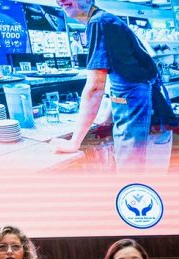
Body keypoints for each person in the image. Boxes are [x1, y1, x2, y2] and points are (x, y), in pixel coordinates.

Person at [52, 0, 175, 170]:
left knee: (135, 184)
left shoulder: (99, 23)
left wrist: (74, 142)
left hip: (145, 128)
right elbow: (128, 75)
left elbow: (95, 87)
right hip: (149, 126)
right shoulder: (106, 20)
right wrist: (108, 113)